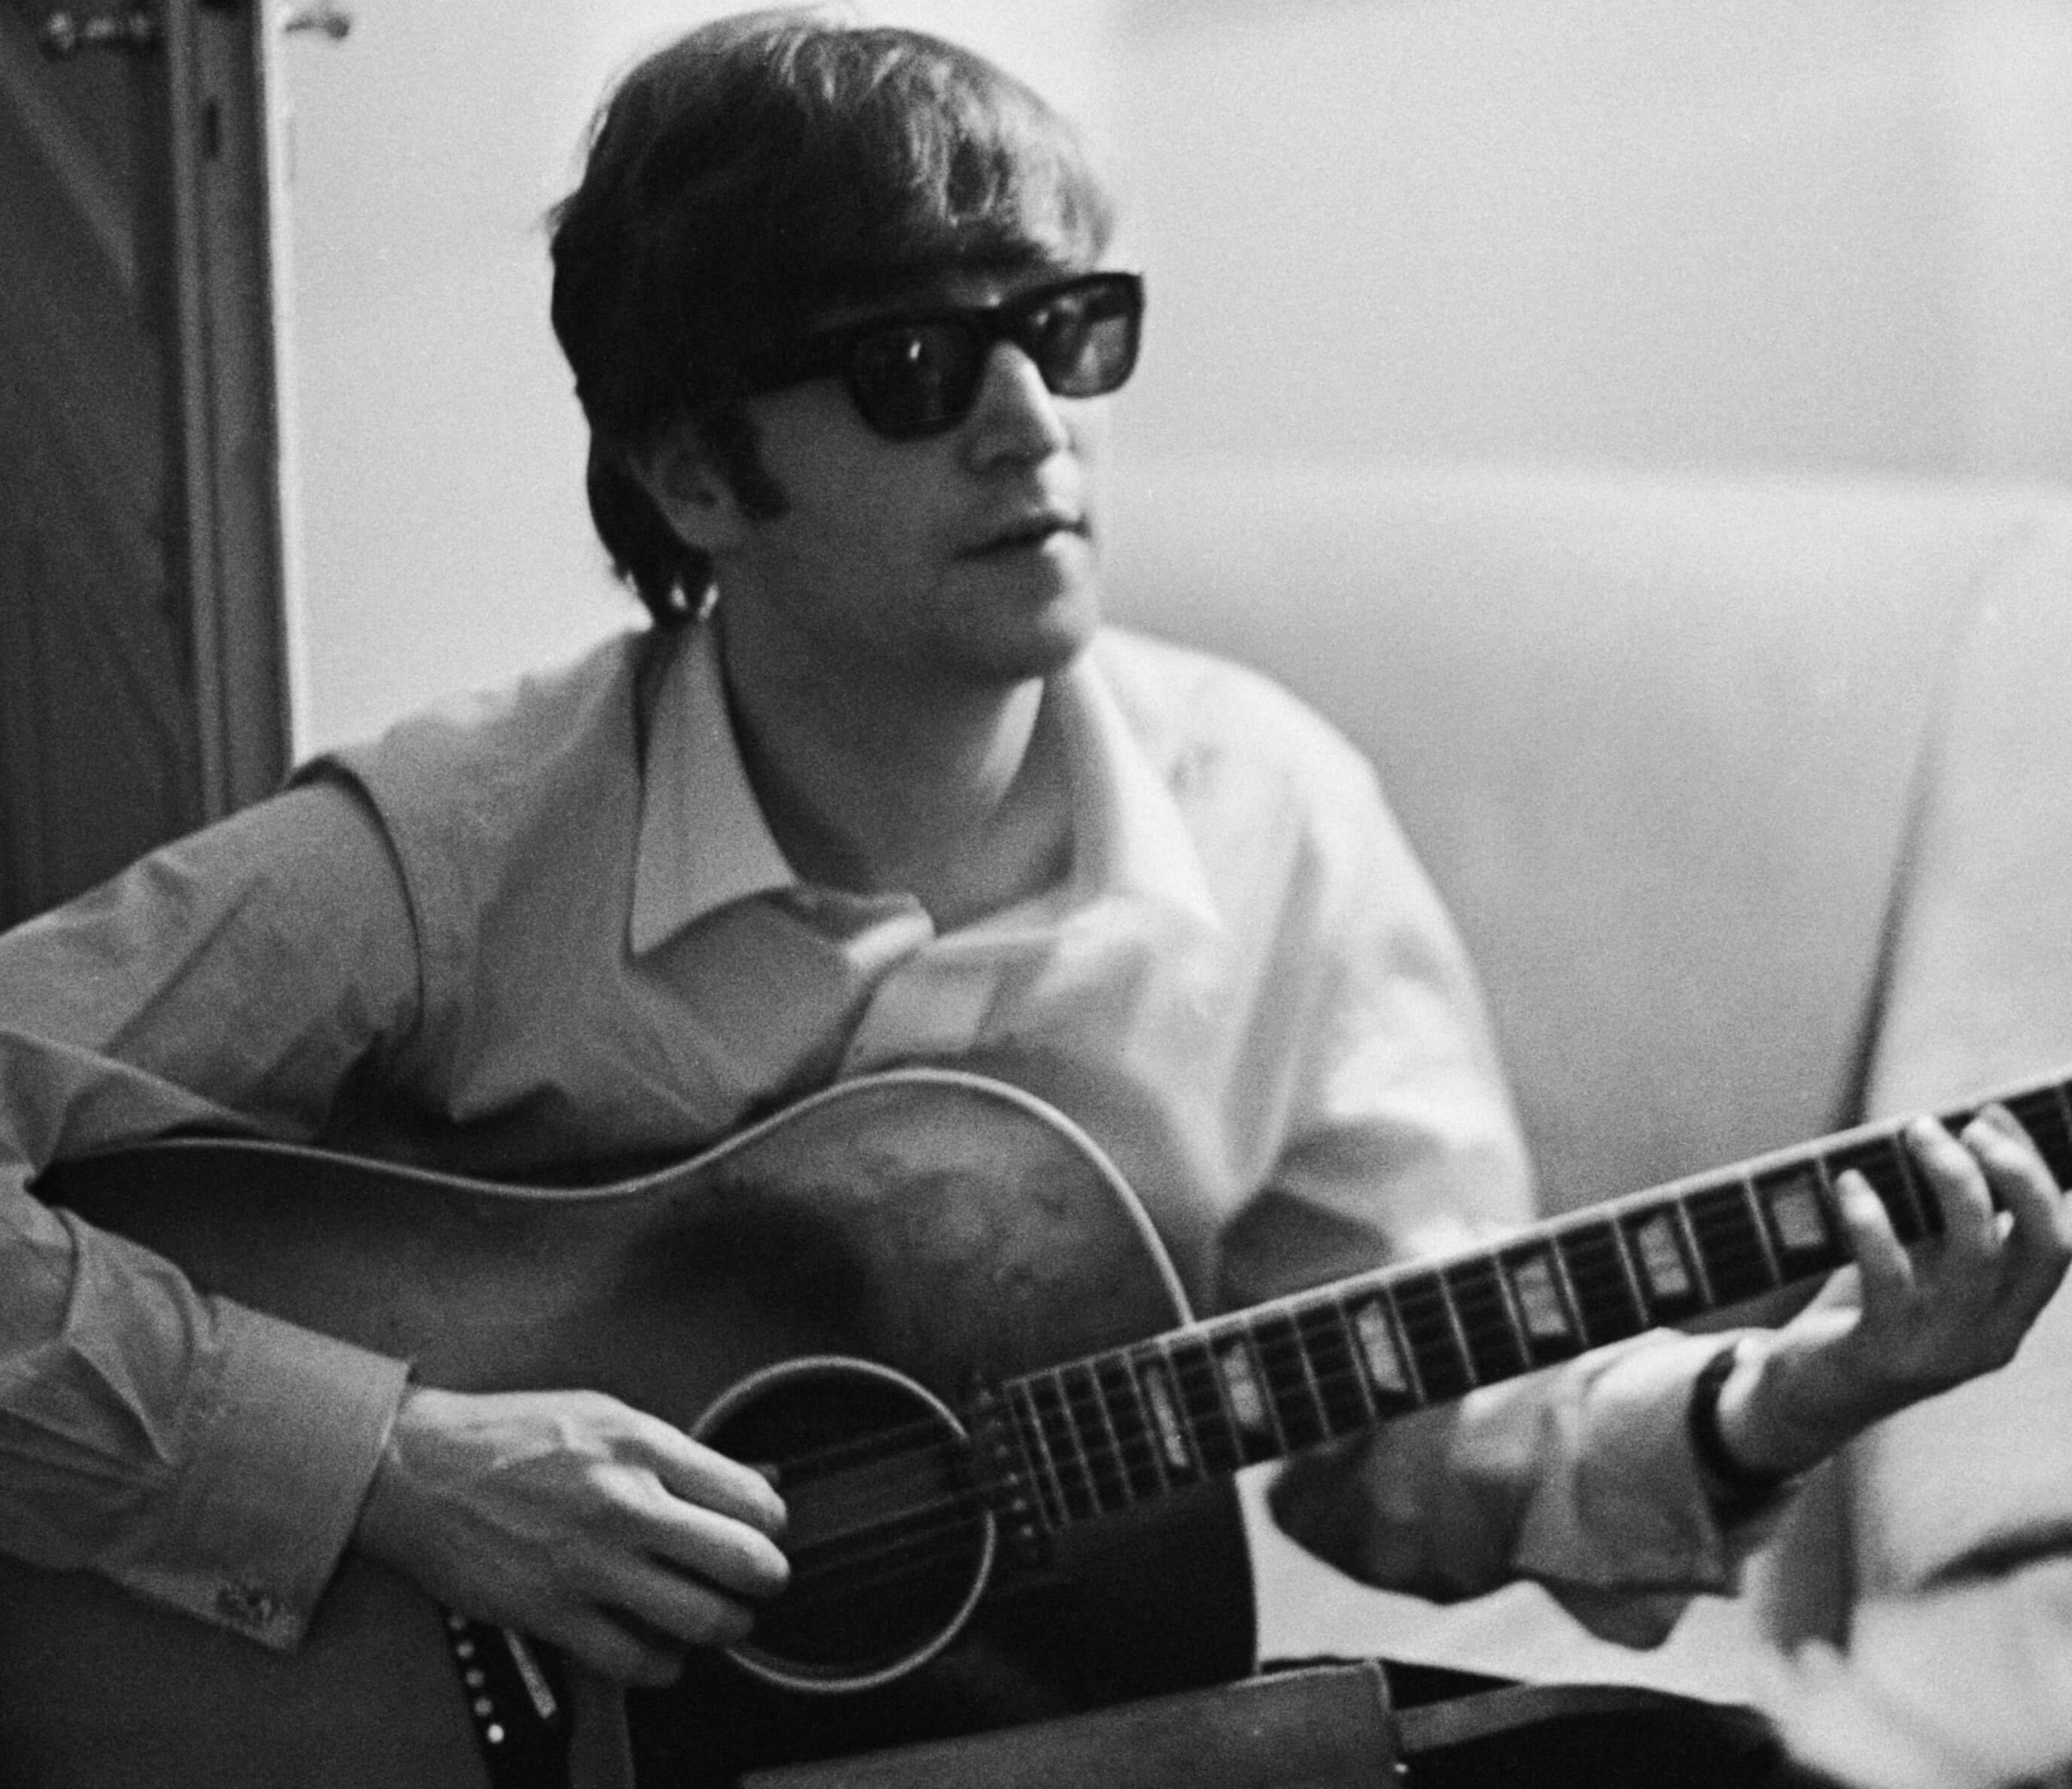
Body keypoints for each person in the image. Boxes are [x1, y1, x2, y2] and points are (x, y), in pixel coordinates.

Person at [0, 11, 2067, 1787]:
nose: (1035, 424)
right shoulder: (447, 845)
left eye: (1067, 331)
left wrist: (1778, 1394)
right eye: (912, 362)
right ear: (698, 476)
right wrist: (394, 1462)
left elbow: (1417, 1434)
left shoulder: (1266, 814)